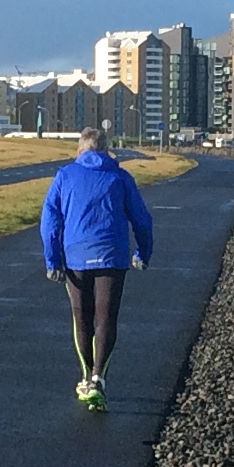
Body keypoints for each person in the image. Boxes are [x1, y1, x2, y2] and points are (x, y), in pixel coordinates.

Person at [39, 120, 153, 411]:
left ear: (79, 150)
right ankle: (99, 377)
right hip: (112, 256)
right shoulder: (121, 177)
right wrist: (143, 252)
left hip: (75, 257)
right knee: (106, 319)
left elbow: (50, 220)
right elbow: (142, 218)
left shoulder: (65, 175)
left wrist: (52, 259)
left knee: (82, 318)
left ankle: (85, 377)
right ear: (108, 150)